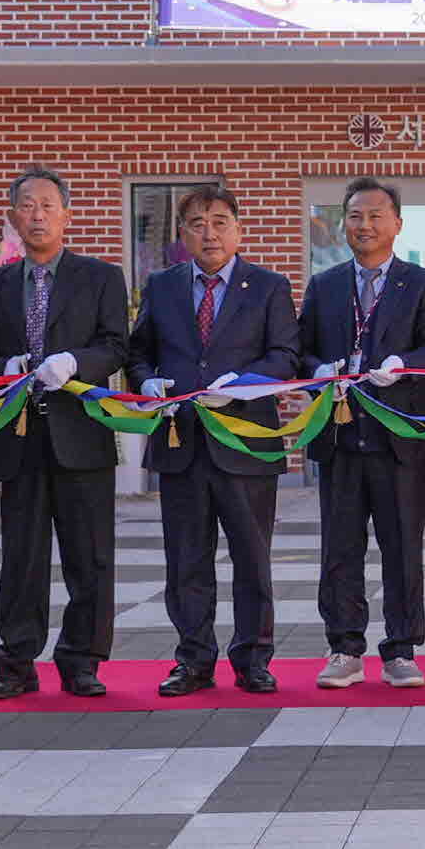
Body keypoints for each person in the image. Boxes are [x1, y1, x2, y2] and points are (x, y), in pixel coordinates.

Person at [128, 183, 301, 696]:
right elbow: (138, 353)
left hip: (245, 440)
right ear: (182, 234)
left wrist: (243, 385)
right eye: (198, 223)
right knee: (186, 559)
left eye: (220, 221)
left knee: (252, 557)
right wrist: (147, 381)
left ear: (239, 228)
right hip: (182, 441)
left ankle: (253, 658)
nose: (210, 232)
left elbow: (286, 357)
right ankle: (193, 659)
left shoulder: (268, 286)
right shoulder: (161, 286)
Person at [0, 167, 129, 700]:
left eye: (47, 206)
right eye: (27, 206)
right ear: (13, 217)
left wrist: (75, 363)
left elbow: (116, 346)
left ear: (66, 215)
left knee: (90, 556)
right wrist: (6, 364)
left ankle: (82, 660)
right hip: (19, 436)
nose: (37, 215)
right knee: (22, 557)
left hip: (81, 435)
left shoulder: (101, 277)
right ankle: (16, 660)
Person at [298, 177, 425, 690]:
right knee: (339, 547)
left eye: (375, 216)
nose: (365, 225)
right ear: (343, 224)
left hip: (398, 439)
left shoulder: (423, 283)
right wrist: (319, 369)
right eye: (356, 216)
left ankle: (401, 649)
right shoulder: (325, 285)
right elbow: (303, 351)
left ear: (397, 224)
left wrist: (403, 365)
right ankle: (344, 647)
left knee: (402, 546)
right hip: (341, 438)